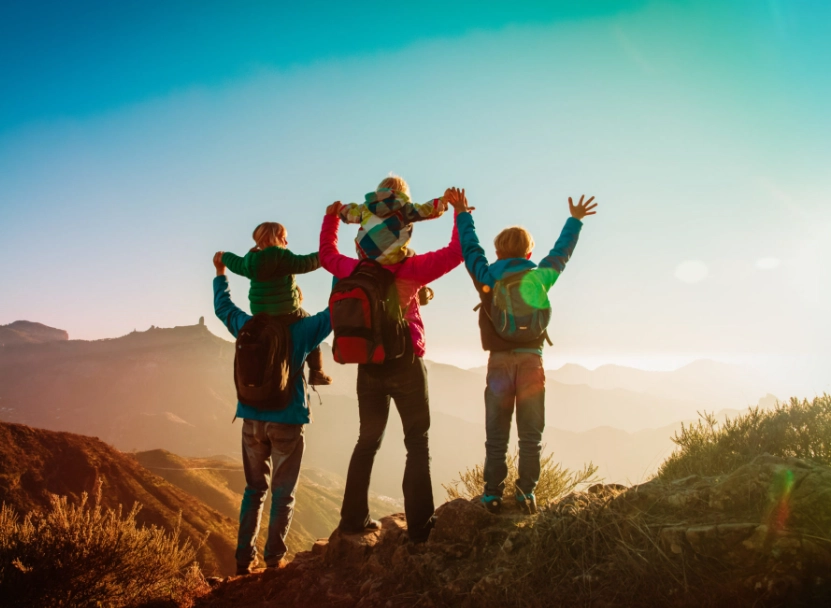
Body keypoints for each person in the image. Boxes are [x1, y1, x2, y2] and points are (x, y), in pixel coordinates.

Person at [320, 189, 464, 543]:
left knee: (366, 441)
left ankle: (352, 520)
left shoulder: (353, 268)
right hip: (405, 365)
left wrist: (330, 219)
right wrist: (460, 213)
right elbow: (456, 253)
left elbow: (327, 256)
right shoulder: (410, 268)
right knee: (417, 442)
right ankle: (419, 528)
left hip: (368, 367)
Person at [448, 190, 598, 514]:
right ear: (530, 251)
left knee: (496, 437)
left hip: (499, 364)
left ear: (498, 251)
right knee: (530, 436)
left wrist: (462, 213)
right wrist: (575, 220)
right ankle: (525, 495)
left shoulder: (487, 278)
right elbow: (561, 254)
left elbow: (471, 249)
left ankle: (491, 495)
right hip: (532, 361)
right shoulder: (539, 277)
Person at [212, 251, 332, 575]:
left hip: (251, 420)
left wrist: (221, 273)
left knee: (254, 490)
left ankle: (242, 560)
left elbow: (223, 308)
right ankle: (273, 560)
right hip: (287, 420)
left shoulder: (246, 326)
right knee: (283, 493)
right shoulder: (302, 329)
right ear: (290, 288)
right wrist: (339, 269)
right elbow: (333, 314)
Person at [219, 222, 332, 386]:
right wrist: (327, 254)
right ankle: (317, 372)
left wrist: (223, 257)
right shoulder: (284, 257)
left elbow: (234, 263)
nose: (286, 243)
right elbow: (308, 262)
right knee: (312, 330)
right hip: (288, 313)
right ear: (274, 239)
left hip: (261, 315)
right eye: (284, 238)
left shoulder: (249, 262)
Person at [338, 174, 448, 265]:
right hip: (392, 259)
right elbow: (426, 209)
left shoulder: (365, 208)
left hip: (365, 257)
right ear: (403, 194)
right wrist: (443, 201)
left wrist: (340, 209)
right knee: (412, 254)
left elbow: (348, 214)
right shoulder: (405, 208)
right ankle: (421, 289)